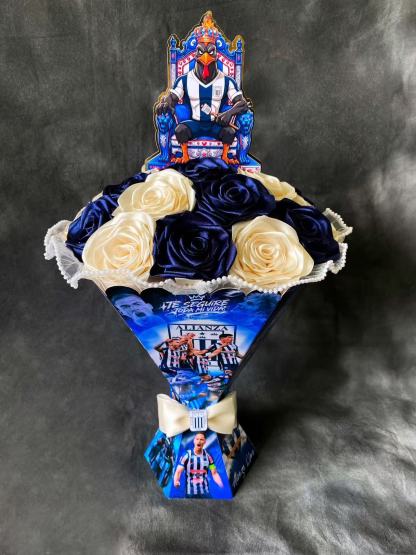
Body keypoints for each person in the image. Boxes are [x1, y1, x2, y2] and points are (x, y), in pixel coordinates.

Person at [155, 12, 249, 164]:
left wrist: (228, 113)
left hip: (215, 124)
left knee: (229, 131)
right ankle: (185, 157)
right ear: (196, 55)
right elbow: (172, 97)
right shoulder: (185, 79)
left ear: (216, 55)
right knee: (180, 130)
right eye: (201, 51)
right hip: (195, 124)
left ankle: (225, 157)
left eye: (210, 52)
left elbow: (243, 103)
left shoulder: (226, 81)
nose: (206, 56)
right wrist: (165, 102)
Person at [174, 432, 223, 498]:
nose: (199, 441)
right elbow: (178, 471)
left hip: (205, 492)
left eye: (201, 439)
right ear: (194, 441)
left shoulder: (209, 456)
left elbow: (214, 473)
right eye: (197, 439)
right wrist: (176, 481)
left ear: (205, 441)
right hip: (190, 493)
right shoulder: (186, 455)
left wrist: (220, 483)